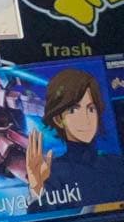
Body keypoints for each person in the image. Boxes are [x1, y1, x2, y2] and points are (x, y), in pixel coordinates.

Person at [27, 68, 124, 209]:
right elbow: (41, 220)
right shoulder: (51, 172)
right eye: (73, 110)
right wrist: (37, 188)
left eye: (91, 109)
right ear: (58, 119)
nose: (85, 118)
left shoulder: (116, 163)